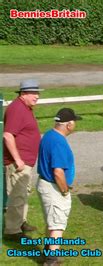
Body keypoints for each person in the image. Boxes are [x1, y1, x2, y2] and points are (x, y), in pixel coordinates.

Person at [36, 108, 81, 265]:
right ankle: (51, 261)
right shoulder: (59, 142)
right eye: (74, 122)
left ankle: (48, 252)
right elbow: (58, 172)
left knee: (51, 221)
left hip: (45, 184)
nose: (75, 124)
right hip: (53, 187)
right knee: (57, 224)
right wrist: (65, 190)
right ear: (69, 124)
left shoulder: (49, 135)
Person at [3, 79, 42, 241]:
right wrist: (17, 159)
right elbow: (7, 135)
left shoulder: (25, 107)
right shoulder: (16, 109)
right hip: (18, 163)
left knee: (23, 193)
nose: (37, 96)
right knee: (17, 196)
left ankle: (21, 222)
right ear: (23, 94)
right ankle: (12, 231)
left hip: (26, 161)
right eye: (33, 93)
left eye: (38, 93)